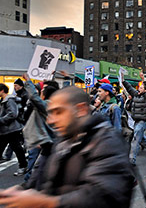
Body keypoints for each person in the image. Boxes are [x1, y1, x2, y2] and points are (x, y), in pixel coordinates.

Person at [0, 86, 135, 208]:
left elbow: (105, 197)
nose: (51, 120)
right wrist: (20, 191)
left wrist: (44, 202)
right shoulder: (61, 140)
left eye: (58, 112)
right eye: (51, 113)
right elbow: (41, 180)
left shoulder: (107, 141)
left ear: (81, 109)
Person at [122, 72, 146, 166]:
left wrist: (144, 79)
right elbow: (129, 88)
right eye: (139, 87)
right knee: (143, 140)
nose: (139, 88)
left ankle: (132, 160)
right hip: (136, 120)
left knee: (135, 139)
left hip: (143, 121)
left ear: (145, 90)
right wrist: (123, 80)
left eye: (142, 87)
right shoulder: (135, 95)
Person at [0, 83, 28, 176]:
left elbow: (13, 113)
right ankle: (23, 166)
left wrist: (1, 120)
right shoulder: (3, 100)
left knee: (17, 148)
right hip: (5, 129)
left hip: (11, 129)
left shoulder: (9, 100)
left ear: (2, 90)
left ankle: (23, 166)